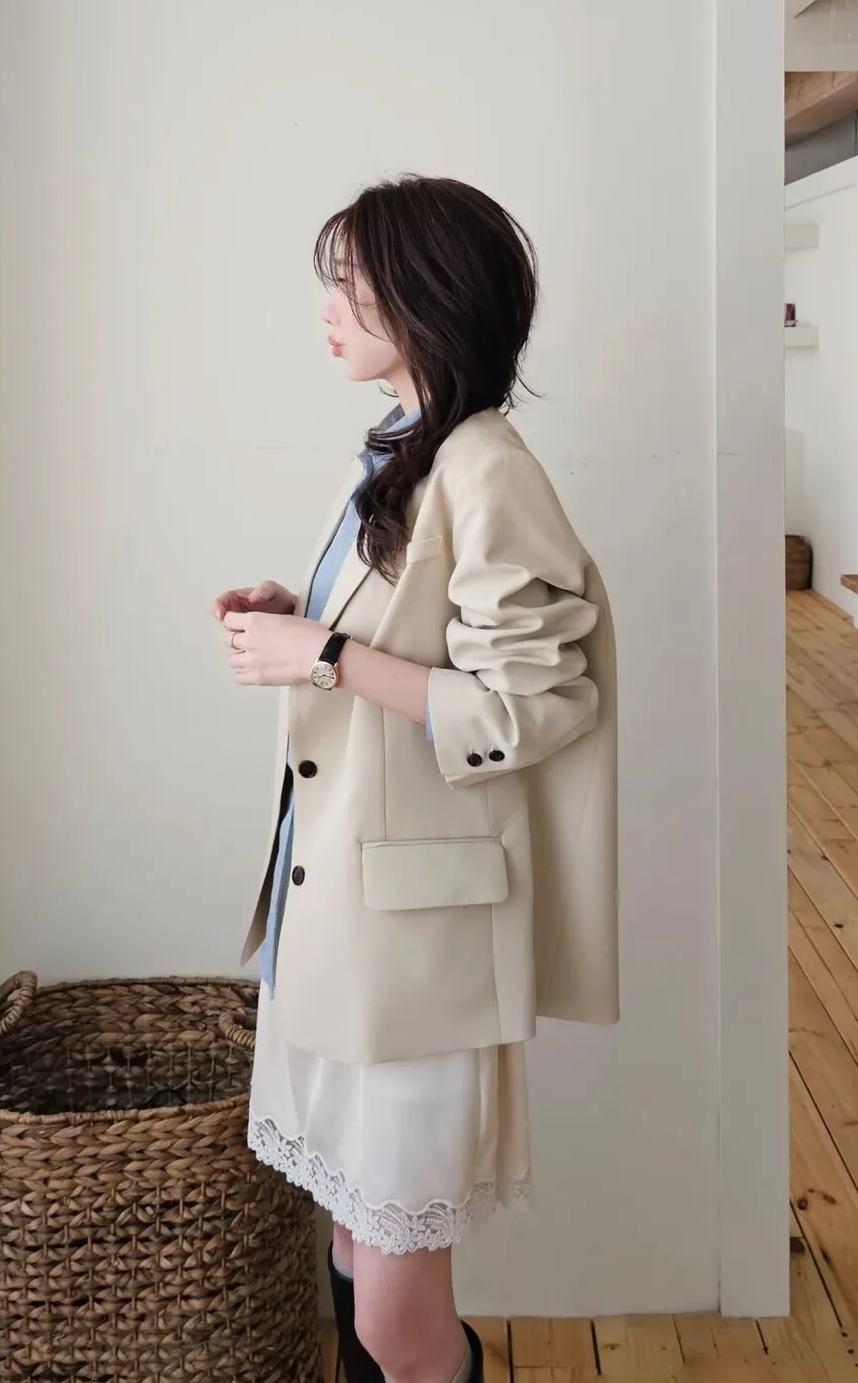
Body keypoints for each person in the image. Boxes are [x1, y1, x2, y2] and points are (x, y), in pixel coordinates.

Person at [211, 175, 618, 1383]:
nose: (328, 306)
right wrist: (302, 612)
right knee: (350, 1252)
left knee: (395, 1313)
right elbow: (411, 632)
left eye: (353, 281)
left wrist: (325, 654)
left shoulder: (486, 465)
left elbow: (532, 704)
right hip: (342, 918)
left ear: (428, 295)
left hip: (417, 948)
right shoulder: (404, 448)